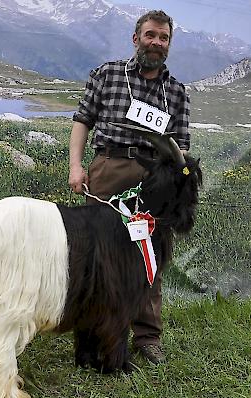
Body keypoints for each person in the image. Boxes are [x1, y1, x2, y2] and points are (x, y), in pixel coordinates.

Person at [68, 9, 190, 364]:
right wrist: (77, 167)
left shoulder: (177, 92)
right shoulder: (107, 75)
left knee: (149, 257)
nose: (156, 42)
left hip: (155, 182)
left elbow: (182, 148)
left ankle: (147, 337)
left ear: (169, 43)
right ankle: (92, 332)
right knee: (96, 255)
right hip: (108, 168)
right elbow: (82, 121)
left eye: (163, 37)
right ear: (136, 38)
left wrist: (173, 190)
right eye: (150, 35)